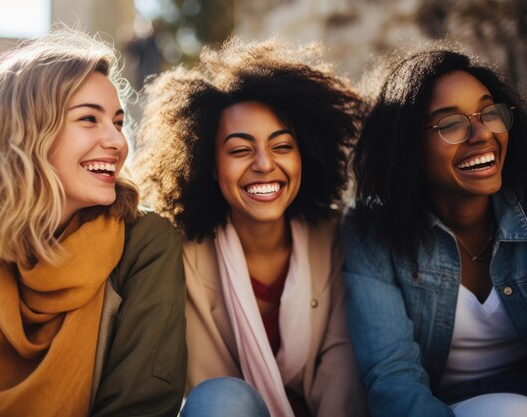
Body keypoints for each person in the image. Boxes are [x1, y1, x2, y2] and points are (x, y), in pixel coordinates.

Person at [0, 29, 186, 417]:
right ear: (26, 133)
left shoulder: (146, 243)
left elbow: (139, 405)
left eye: (117, 121)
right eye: (89, 119)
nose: (116, 140)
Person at [132, 37, 368, 417]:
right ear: (209, 165)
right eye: (241, 150)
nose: (263, 164)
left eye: (282, 146)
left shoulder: (335, 238)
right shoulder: (180, 252)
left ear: (304, 155)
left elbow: (341, 374)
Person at [342, 47, 527, 417]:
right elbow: (392, 377)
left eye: (489, 113)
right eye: (451, 124)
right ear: (408, 148)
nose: (483, 134)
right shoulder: (372, 232)